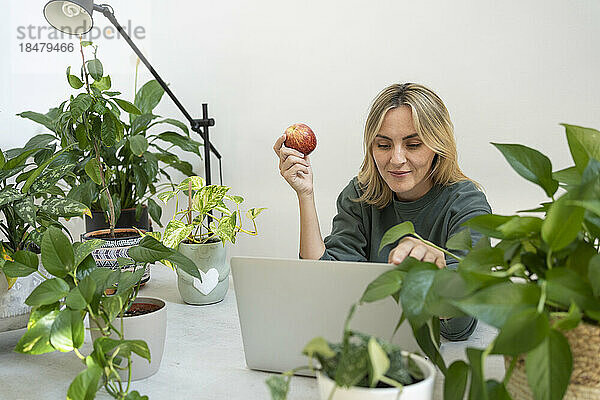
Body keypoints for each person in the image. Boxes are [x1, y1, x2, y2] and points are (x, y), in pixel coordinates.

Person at [273, 83, 491, 341]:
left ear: (437, 146)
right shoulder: (360, 195)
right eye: (384, 145)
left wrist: (436, 275)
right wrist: (305, 194)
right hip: (367, 343)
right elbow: (324, 283)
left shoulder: (467, 204)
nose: (397, 159)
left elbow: (458, 326)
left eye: (413, 145)